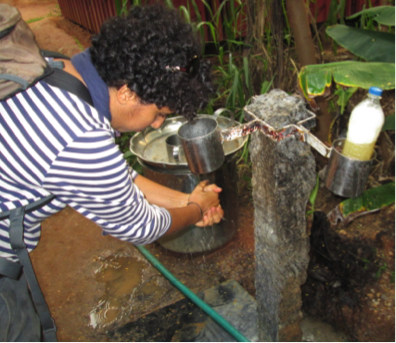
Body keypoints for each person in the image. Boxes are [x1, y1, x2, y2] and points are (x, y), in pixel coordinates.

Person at [0, 4, 224, 342]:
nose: (158, 123)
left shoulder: (58, 69)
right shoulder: (81, 136)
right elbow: (142, 226)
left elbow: (115, 177)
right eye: (159, 113)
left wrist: (187, 198)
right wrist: (195, 211)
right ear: (127, 93)